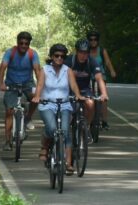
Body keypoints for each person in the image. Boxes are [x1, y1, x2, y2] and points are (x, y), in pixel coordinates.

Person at [31, 44, 83, 175]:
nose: (59, 58)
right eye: (56, 56)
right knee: (52, 128)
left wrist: (78, 95)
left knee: (65, 132)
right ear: (52, 56)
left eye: (62, 56)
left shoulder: (68, 70)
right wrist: (37, 96)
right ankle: (45, 146)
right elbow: (40, 85)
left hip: (64, 104)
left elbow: (74, 85)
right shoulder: (45, 70)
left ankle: (68, 163)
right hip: (47, 104)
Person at [0, 31, 41, 151]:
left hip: (28, 83)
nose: (23, 45)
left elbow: (37, 71)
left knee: (36, 97)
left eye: (26, 43)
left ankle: (28, 117)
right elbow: (2, 68)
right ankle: (7, 141)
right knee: (9, 111)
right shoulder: (10, 52)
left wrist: (39, 88)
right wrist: (1, 84)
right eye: (21, 43)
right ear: (17, 43)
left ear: (29, 44)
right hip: (11, 83)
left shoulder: (33, 54)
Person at [64, 39, 108, 134]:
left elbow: (99, 79)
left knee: (91, 104)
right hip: (69, 89)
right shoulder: (69, 60)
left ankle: (86, 125)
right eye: (81, 52)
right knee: (68, 109)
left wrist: (104, 94)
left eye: (86, 53)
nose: (83, 55)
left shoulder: (91, 61)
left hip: (84, 89)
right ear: (76, 51)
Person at [87, 31, 116, 130]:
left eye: (95, 39)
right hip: (88, 75)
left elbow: (107, 61)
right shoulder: (85, 50)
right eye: (91, 39)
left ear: (97, 41)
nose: (93, 41)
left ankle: (104, 121)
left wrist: (112, 71)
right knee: (86, 96)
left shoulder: (102, 50)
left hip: (100, 75)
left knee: (103, 97)